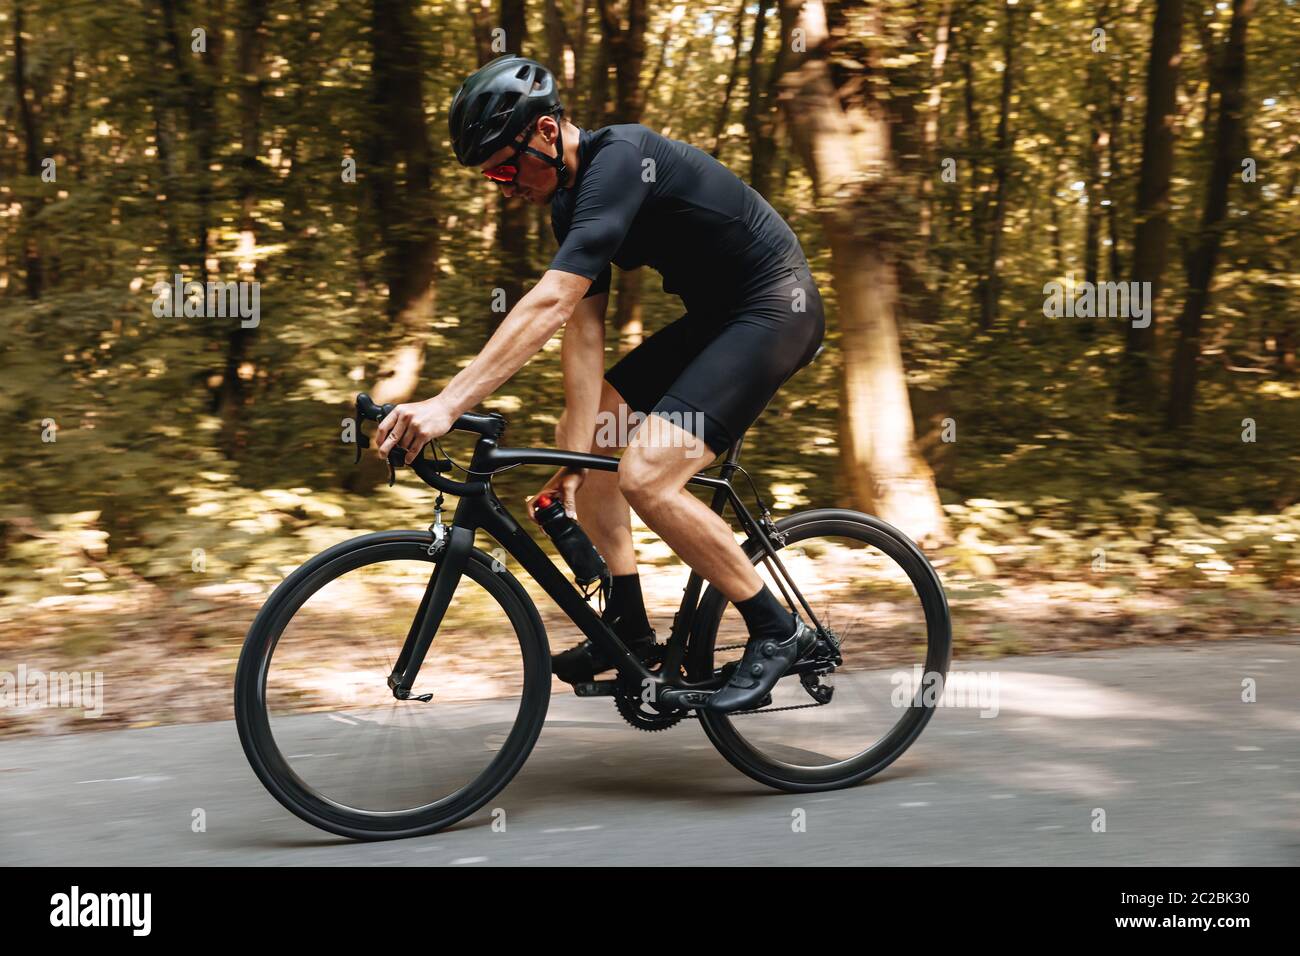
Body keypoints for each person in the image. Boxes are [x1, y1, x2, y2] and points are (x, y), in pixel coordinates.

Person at [374, 55, 824, 713]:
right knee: (595, 442)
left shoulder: (619, 158)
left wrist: (446, 403)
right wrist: (575, 461)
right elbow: (582, 343)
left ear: (548, 134)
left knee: (647, 474)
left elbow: (551, 301)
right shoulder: (570, 207)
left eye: (505, 167)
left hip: (775, 308)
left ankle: (776, 630)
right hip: (719, 320)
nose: (503, 187)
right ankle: (632, 627)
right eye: (489, 176)